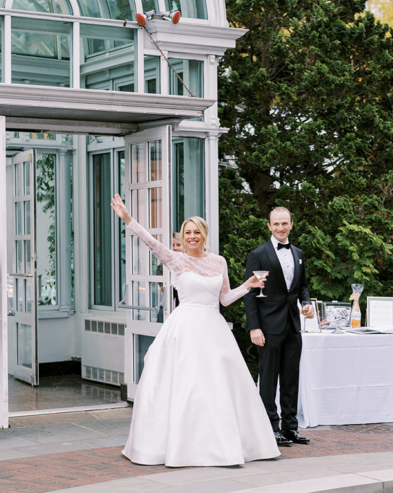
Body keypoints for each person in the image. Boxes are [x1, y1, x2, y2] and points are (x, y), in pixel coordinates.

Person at [110, 195, 279, 467]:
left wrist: (247, 286)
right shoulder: (177, 260)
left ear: (204, 234)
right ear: (182, 236)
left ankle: (224, 446)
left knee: (218, 387)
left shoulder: (219, 262)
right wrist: (129, 219)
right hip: (185, 328)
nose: (191, 237)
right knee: (187, 386)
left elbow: (225, 299)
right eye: (187, 233)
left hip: (213, 328)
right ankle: (182, 447)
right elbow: (150, 242)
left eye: (196, 232)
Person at [244, 206, 314, 447]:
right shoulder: (258, 254)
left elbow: (302, 286)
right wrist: (254, 327)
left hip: (293, 325)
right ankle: (271, 428)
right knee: (268, 380)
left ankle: (290, 428)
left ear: (291, 225)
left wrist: (307, 303)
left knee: (291, 378)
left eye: (285, 223)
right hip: (268, 326)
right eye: (276, 224)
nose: (281, 228)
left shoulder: (298, 253)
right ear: (269, 226)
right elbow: (250, 294)